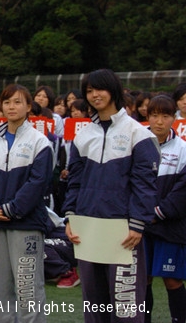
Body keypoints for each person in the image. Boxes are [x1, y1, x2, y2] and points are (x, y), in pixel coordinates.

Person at [62, 69, 159, 323]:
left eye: (100, 89)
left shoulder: (139, 134)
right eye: (89, 91)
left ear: (113, 90)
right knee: (94, 306)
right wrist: (70, 218)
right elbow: (74, 182)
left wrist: (138, 223)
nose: (95, 95)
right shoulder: (83, 135)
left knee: (126, 307)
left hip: (124, 231)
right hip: (88, 229)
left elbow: (145, 186)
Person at [0, 84, 53, 323]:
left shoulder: (40, 142)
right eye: (7, 102)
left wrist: (12, 209)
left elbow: (38, 183)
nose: (11, 107)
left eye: (18, 102)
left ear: (29, 107)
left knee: (28, 288)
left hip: (26, 224)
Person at [144, 95, 186, 323]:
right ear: (147, 116)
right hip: (141, 226)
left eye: (165, 116)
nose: (159, 121)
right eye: (154, 115)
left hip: (170, 226)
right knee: (144, 279)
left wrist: (158, 213)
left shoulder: (183, 149)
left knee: (172, 280)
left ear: (174, 118)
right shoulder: (138, 145)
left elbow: (182, 192)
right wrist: (142, 215)